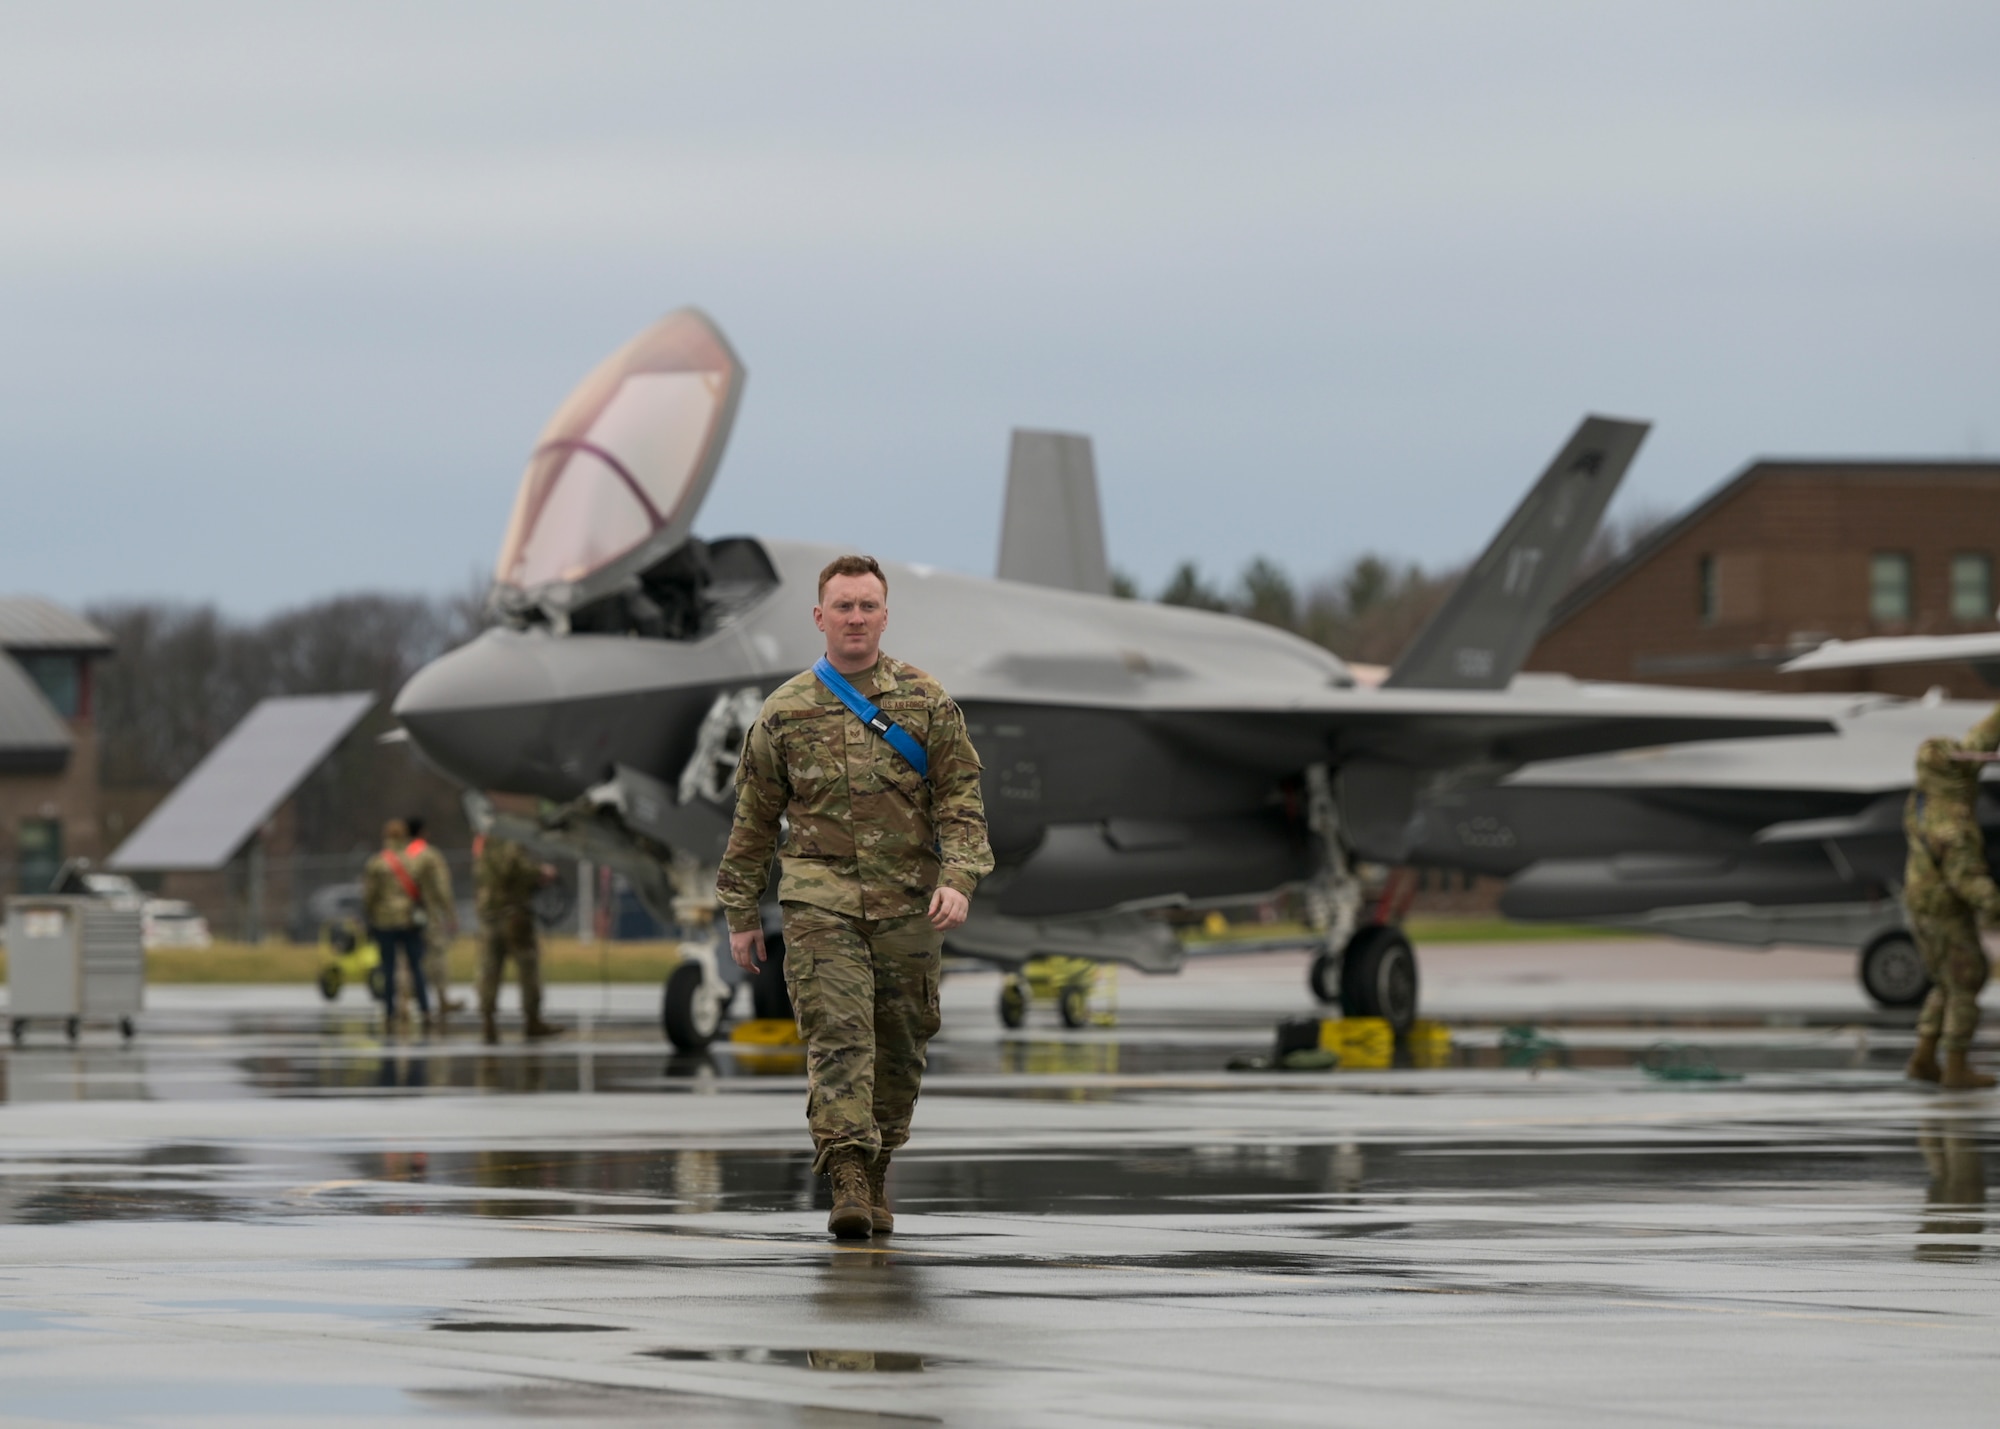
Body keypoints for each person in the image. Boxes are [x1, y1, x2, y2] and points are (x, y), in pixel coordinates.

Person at [716, 554, 993, 1239]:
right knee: (840, 1040)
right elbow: (752, 820)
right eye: (843, 606)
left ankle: (876, 1168)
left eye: (867, 605)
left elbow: (962, 802)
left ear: (884, 615)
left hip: (908, 903)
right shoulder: (784, 713)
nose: (856, 617)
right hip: (820, 901)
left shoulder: (927, 703)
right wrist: (742, 913)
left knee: (900, 1048)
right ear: (820, 617)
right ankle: (845, 1172)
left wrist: (957, 879)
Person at [1902, 704, 2000, 1090]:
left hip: (1922, 900)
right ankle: (1956, 1067)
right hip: (1944, 906)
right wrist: (1995, 904)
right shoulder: (1950, 820)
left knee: (1945, 983)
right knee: (1966, 978)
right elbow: (1966, 877)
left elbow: (1976, 743)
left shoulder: (1927, 791)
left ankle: (1924, 1057)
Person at [474, 832, 560, 1045]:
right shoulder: (509, 840)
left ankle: (488, 1021)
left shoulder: (484, 844)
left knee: (489, 970)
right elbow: (512, 869)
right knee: (527, 966)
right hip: (514, 914)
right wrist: (540, 872)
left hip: (489, 915)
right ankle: (532, 1019)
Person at [361, 818, 432, 1034]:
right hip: (409, 920)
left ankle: (390, 1012)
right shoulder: (415, 861)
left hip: (384, 922)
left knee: (388, 968)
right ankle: (425, 1009)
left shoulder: (376, 863)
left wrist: (369, 916)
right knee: (416, 967)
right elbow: (423, 891)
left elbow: (369, 896)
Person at [403, 817, 461, 1022]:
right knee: (437, 954)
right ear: (423, 832)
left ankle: (403, 1002)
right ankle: (442, 999)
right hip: (429, 911)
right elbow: (441, 887)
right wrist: (450, 914)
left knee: (408, 959)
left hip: (406, 913)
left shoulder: (401, 855)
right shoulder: (429, 855)